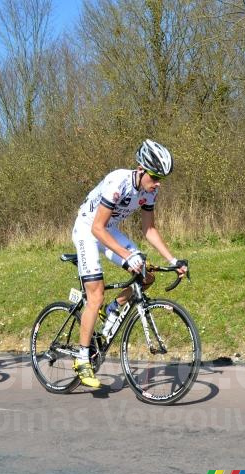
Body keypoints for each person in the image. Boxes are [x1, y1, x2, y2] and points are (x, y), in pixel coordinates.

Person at [71, 139, 188, 388]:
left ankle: (115, 308)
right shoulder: (118, 182)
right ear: (140, 168)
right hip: (87, 230)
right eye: (155, 177)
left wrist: (173, 259)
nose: (157, 184)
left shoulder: (150, 191)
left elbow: (149, 229)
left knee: (147, 275)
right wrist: (127, 255)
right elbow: (96, 228)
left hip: (109, 230)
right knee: (96, 295)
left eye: (161, 179)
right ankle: (82, 358)